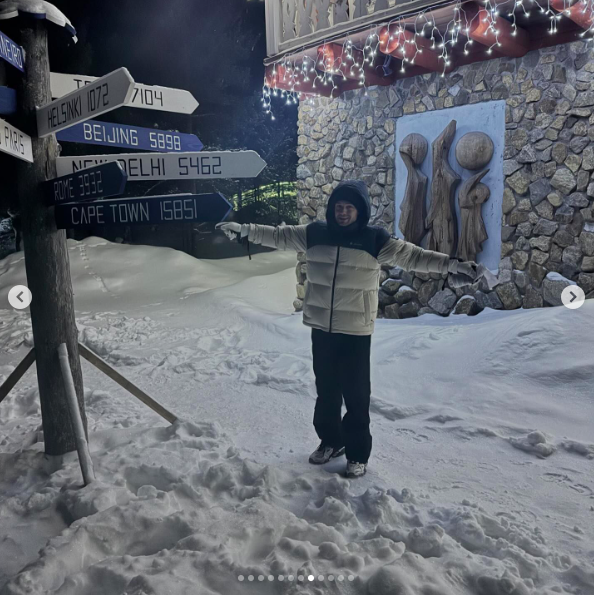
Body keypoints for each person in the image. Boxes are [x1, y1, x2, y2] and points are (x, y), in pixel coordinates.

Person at [216, 180, 476, 478]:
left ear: (360, 210)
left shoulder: (374, 240)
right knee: (326, 391)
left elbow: (414, 256)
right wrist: (245, 229)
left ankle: (357, 454)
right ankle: (331, 441)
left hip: (354, 331)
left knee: (355, 395)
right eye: (338, 207)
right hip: (322, 328)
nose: (342, 212)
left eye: (349, 207)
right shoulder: (316, 233)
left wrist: (452, 265)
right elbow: (279, 236)